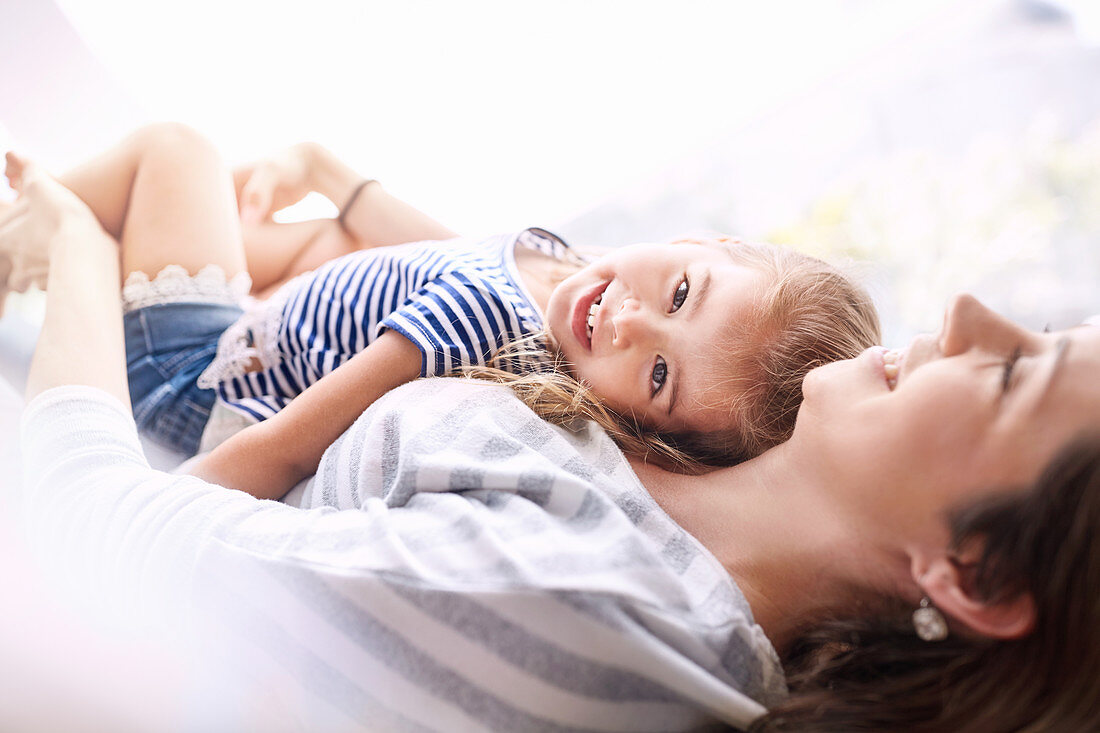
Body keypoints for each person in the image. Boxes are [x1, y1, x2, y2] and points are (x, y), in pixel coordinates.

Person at [6, 144, 1100, 732]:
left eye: (1012, 372)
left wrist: (77, 248)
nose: (962, 310)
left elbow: (90, 540)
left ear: (971, 569)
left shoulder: (594, 613)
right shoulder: (700, 453)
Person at [4, 124, 879, 502]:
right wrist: (327, 170)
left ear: (647, 428)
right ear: (711, 242)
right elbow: (449, 247)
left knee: (176, 149)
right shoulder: (557, 269)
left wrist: (137, 510)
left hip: (190, 377)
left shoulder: (498, 326)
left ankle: (24, 245)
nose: (629, 322)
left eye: (657, 373)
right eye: (682, 293)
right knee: (323, 233)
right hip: (273, 320)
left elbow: (288, 445)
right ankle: (79, 243)